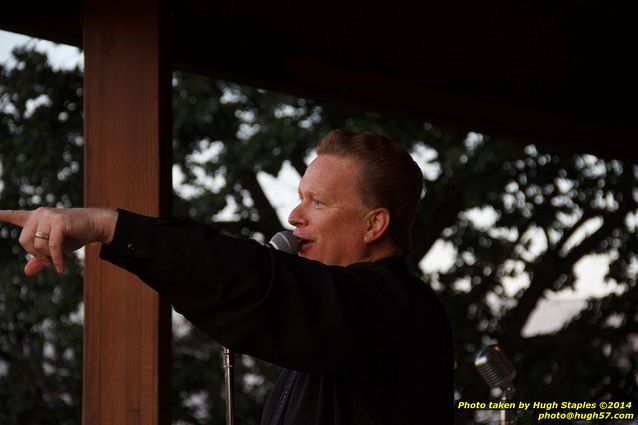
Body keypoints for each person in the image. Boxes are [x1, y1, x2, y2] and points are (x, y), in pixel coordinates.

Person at [0, 129, 454, 424]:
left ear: (374, 225)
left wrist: (108, 226)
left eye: (318, 203)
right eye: (300, 198)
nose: (294, 216)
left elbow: (255, 282)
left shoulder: (395, 307)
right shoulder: (336, 323)